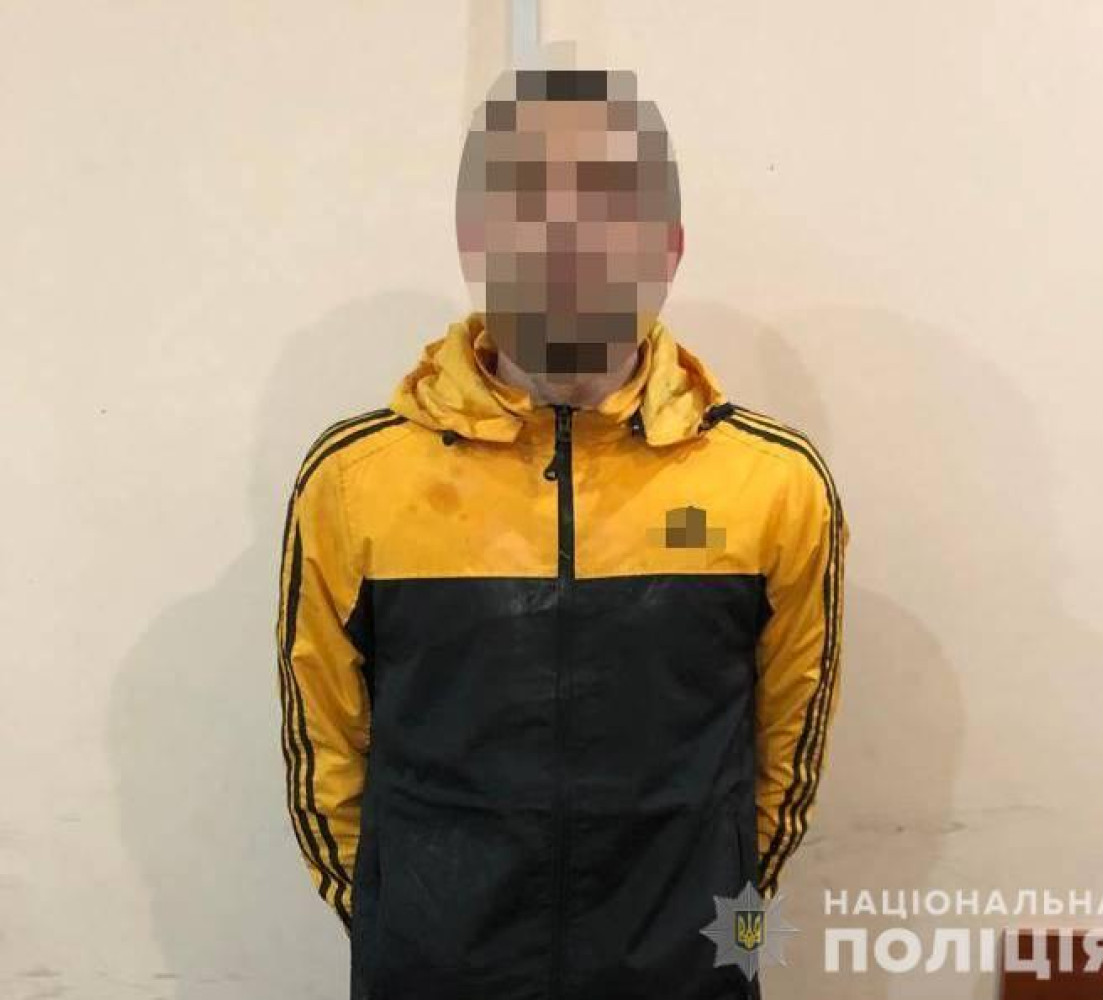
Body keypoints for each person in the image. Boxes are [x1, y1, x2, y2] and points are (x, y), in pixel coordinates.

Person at [275, 67, 850, 1000]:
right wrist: (396, 915)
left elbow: (786, 762)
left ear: (667, 249)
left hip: (689, 973)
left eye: (609, 212)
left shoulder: (773, 484)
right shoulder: (355, 481)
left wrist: (716, 917)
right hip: (434, 974)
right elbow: (324, 748)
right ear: (477, 241)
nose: (570, 246)